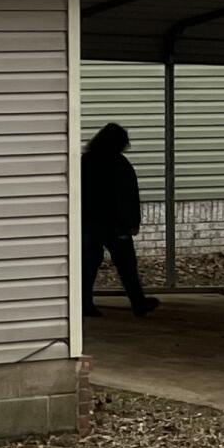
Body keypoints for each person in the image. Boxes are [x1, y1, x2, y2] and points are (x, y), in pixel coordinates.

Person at [81, 122, 159, 316]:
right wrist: (133, 222)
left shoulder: (86, 161)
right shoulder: (119, 164)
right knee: (126, 265)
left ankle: (84, 303)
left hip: (91, 221)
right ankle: (138, 302)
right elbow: (129, 196)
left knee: (89, 264)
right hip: (116, 224)